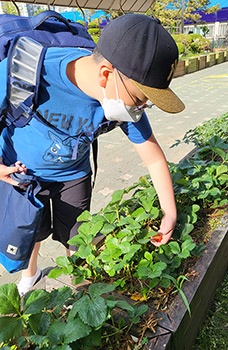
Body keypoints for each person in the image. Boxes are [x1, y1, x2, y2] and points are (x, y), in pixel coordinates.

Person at [0, 14, 185, 296]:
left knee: (78, 237)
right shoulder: (27, 70)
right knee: (32, 231)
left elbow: (154, 158)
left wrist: (169, 212)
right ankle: (31, 272)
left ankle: (80, 283)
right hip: (23, 172)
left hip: (74, 174)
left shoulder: (123, 96)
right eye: (140, 98)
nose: (143, 106)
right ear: (107, 75)